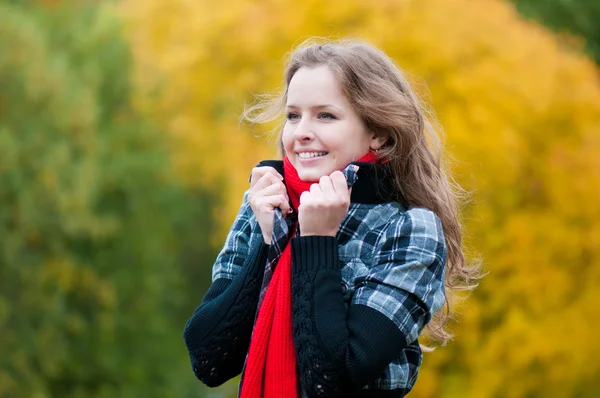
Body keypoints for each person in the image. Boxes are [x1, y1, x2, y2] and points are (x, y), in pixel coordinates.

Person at [183, 38, 479, 398]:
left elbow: (332, 379)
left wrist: (316, 242)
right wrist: (268, 242)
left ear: (379, 133)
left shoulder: (409, 230)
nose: (302, 131)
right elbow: (209, 361)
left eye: (326, 115)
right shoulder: (263, 206)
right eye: (293, 115)